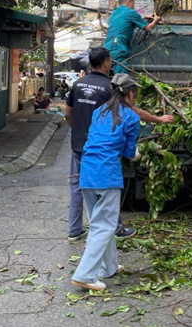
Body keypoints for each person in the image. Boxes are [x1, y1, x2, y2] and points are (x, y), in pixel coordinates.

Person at [65, 48, 173, 244]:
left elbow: (67, 112)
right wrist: (159, 119)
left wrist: (77, 131)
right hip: (101, 145)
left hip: (79, 143)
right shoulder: (110, 87)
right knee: (108, 188)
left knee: (78, 185)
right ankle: (115, 228)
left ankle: (74, 229)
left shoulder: (78, 84)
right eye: (110, 60)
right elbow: (133, 112)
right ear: (106, 63)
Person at [71, 73, 142, 291]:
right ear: (130, 94)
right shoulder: (131, 118)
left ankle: (108, 267)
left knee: (100, 223)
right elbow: (128, 151)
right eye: (135, 95)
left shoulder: (98, 112)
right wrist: (135, 154)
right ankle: (84, 275)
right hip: (107, 174)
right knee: (104, 226)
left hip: (87, 173)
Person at [104, 0, 162, 74]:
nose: (133, 6)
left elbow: (125, 21)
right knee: (120, 79)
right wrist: (156, 20)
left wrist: (143, 17)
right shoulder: (131, 13)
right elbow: (148, 28)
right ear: (128, 2)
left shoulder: (115, 12)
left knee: (107, 78)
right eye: (133, 4)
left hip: (106, 48)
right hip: (118, 49)